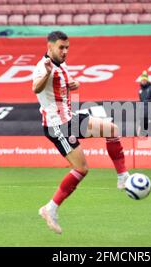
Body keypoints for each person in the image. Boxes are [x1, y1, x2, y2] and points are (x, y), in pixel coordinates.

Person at [33, 31, 130, 234]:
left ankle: (123, 177)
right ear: (49, 47)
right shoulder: (43, 66)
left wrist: (73, 85)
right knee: (82, 168)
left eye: (67, 47)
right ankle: (50, 208)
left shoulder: (61, 64)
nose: (65, 51)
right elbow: (36, 88)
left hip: (70, 118)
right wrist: (48, 73)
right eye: (61, 47)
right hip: (56, 125)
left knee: (112, 129)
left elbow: (63, 84)